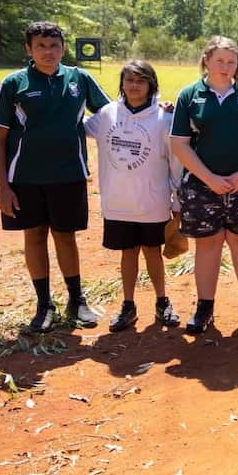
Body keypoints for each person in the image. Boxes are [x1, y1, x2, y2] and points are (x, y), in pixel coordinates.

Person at [0, 21, 112, 332]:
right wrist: (3, 187)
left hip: (69, 174)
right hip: (25, 178)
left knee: (66, 237)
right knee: (34, 236)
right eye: (41, 46)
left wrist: (158, 108)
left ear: (63, 48)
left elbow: (114, 113)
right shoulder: (13, 84)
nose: (48, 52)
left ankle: (76, 300)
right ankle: (43, 305)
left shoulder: (79, 79)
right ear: (29, 49)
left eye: (54, 46)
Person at [170, 36, 238, 334]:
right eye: (220, 61)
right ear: (206, 60)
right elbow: (179, 143)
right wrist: (210, 179)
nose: (226, 67)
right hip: (202, 187)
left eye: (231, 61)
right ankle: (205, 308)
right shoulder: (190, 95)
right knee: (208, 244)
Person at [84, 60, 182, 332]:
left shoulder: (164, 119)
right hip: (119, 203)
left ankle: (162, 302)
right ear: (121, 84)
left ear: (152, 85)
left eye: (141, 80)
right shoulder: (106, 114)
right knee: (128, 252)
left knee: (153, 251)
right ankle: (128, 305)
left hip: (152, 202)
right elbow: (79, 128)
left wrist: (177, 200)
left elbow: (176, 161)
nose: (134, 86)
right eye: (129, 80)